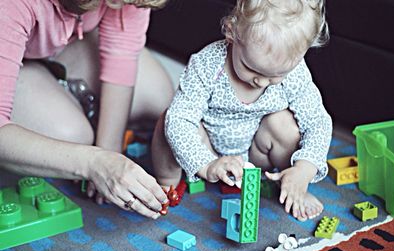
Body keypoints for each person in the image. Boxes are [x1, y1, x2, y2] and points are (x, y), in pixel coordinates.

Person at [151, 0, 332, 221]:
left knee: (283, 123)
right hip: (205, 149)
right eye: (251, 68)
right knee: (169, 120)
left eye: (277, 75)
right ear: (232, 31)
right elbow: (180, 119)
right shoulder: (208, 65)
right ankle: (165, 185)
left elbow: (318, 122)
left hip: (257, 154)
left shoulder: (295, 75)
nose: (261, 82)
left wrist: (305, 168)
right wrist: (207, 164)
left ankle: (294, 187)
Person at [0, 0, 175, 219]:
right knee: (72, 135)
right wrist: (93, 163)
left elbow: (121, 54)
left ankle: (62, 89)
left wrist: (111, 151)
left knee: (157, 94)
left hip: (63, 42)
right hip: (13, 40)